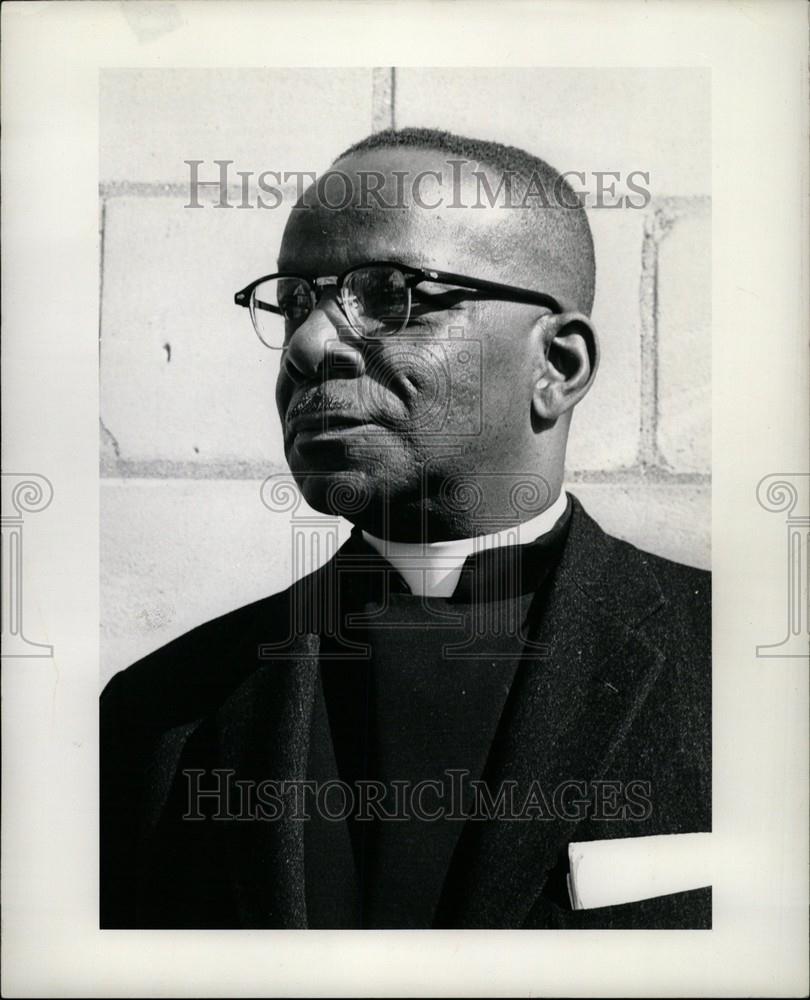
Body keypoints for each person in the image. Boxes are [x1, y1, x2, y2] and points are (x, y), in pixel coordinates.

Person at [100, 128, 710, 929]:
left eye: (389, 295)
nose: (311, 345)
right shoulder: (159, 714)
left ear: (557, 367)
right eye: (293, 302)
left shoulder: (750, 674)